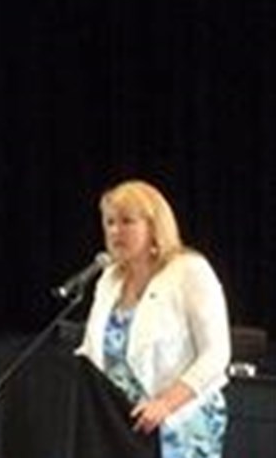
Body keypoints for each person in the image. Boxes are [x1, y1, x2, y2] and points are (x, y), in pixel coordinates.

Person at [77, 179, 231, 458]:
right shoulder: (109, 279)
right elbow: (90, 352)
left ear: (154, 226)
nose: (115, 231)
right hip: (117, 424)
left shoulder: (189, 271)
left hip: (181, 423)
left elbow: (216, 354)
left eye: (127, 221)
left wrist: (165, 404)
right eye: (110, 222)